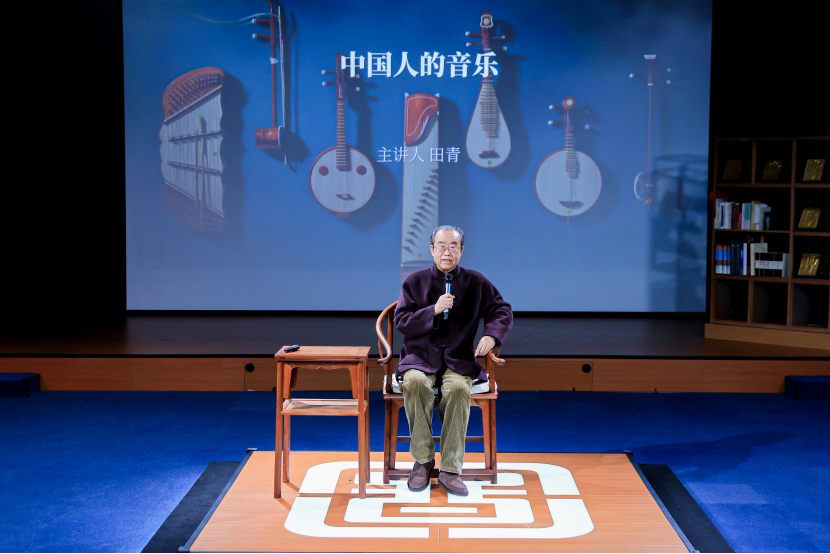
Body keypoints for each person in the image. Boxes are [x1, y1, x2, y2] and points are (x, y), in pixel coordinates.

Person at [394, 225, 513, 496]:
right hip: (420, 356)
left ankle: (450, 469)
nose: (447, 252)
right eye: (441, 246)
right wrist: (433, 310)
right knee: (414, 383)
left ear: (461, 250)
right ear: (431, 249)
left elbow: (501, 309)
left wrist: (492, 335)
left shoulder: (475, 281)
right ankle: (423, 460)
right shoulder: (415, 281)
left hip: (458, 357)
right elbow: (402, 321)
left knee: (459, 388)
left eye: (453, 247)